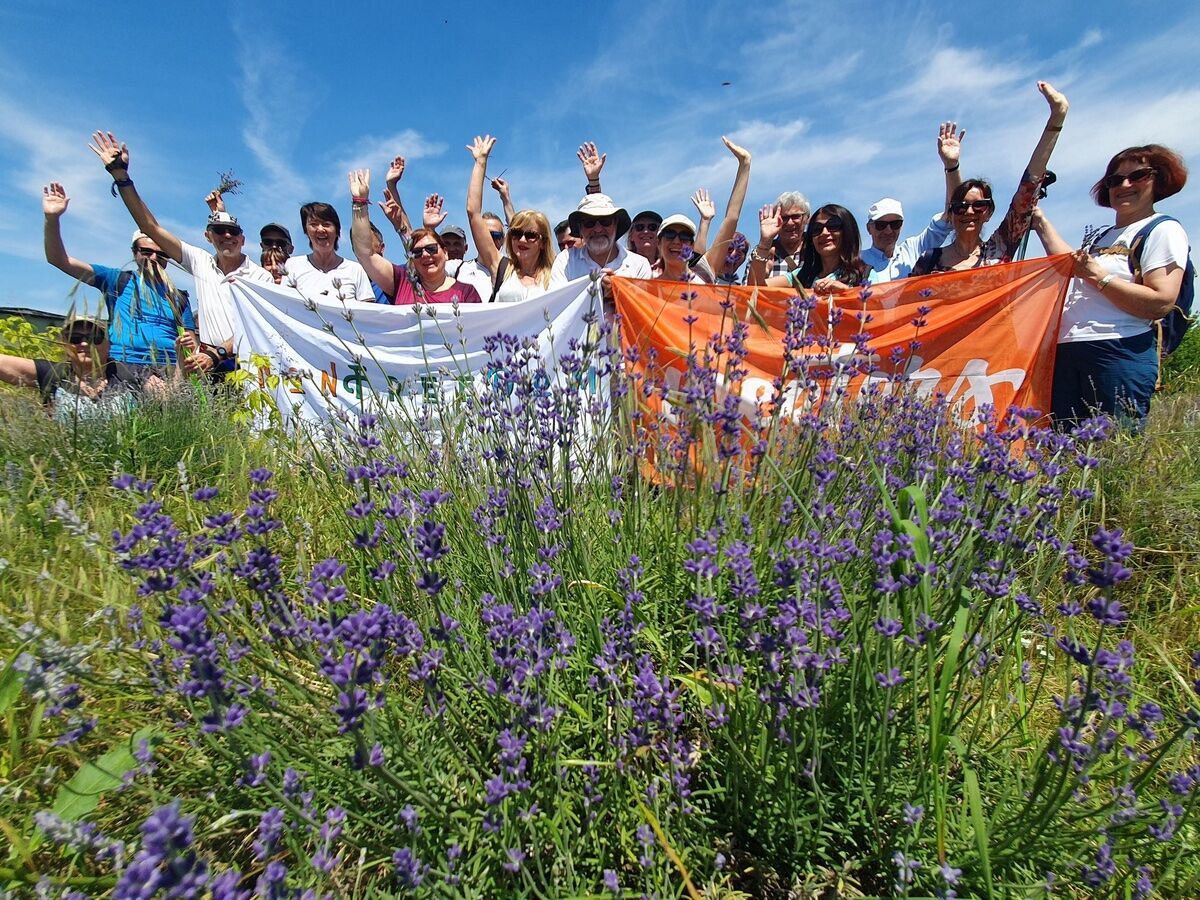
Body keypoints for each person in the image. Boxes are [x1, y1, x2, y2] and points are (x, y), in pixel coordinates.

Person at [89, 131, 273, 378]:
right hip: (206, 365)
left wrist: (217, 353)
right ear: (208, 237)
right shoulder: (201, 261)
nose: (226, 236)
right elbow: (150, 228)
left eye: (232, 231)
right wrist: (121, 177)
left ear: (243, 238)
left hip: (248, 366)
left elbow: (255, 325)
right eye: (219, 231)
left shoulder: (261, 277)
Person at [1031, 144, 1189, 426]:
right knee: (1061, 450)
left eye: (1138, 176)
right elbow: (1070, 264)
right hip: (1067, 351)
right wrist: (1039, 221)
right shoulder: (1102, 236)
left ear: (1158, 180)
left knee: (1113, 450)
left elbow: (1160, 301)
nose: (1124, 185)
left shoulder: (1162, 229)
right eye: (1115, 180)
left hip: (1117, 351)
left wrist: (1098, 276)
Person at [911, 82, 1068, 276]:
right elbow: (908, 306)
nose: (969, 212)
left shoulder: (999, 250)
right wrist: (951, 165)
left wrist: (1056, 118)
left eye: (978, 205)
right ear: (951, 214)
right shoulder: (928, 261)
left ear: (989, 212)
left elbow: (1029, 186)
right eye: (961, 207)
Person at [42, 181, 194, 372]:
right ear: (134, 252)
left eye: (161, 253)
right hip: (124, 366)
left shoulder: (179, 297)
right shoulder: (116, 280)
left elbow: (192, 343)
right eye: (146, 251)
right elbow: (59, 260)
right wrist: (52, 219)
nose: (154, 257)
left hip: (170, 368)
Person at [347, 169, 483, 306]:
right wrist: (360, 202)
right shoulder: (401, 282)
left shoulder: (467, 293)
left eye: (431, 249)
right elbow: (365, 253)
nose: (424, 254)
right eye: (417, 252)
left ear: (445, 253)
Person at [861, 122, 965, 283]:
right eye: (881, 225)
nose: (888, 231)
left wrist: (951, 166)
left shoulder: (913, 250)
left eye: (895, 224)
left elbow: (952, 214)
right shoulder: (857, 261)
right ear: (869, 228)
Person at [0, 316, 156, 420]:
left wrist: (180, 366)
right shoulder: (53, 374)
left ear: (108, 345)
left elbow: (170, 396)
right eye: (74, 338)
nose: (84, 344)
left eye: (95, 338)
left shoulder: (133, 373)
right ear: (65, 345)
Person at [465, 135, 556, 302]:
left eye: (531, 235)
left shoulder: (557, 274)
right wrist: (481, 162)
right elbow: (473, 213)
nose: (522, 239)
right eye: (515, 233)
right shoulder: (501, 267)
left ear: (543, 242)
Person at [652, 137, 752, 285]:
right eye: (670, 234)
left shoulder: (704, 273)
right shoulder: (648, 284)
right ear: (658, 243)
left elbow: (731, 218)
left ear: (692, 246)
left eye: (685, 236)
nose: (677, 241)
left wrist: (745, 165)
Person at [548, 193, 653, 289]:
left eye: (605, 221)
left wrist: (618, 292)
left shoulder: (639, 265)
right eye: (589, 223)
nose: (598, 229)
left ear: (616, 224)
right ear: (580, 228)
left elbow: (643, 306)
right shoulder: (565, 261)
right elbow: (556, 304)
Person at [758, 204, 869, 292]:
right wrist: (765, 241)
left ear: (847, 231)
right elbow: (756, 288)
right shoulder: (802, 275)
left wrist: (847, 292)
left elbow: (877, 308)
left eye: (833, 225)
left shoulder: (864, 273)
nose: (824, 233)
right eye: (817, 229)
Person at [285, 202, 375, 304]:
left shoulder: (355, 270)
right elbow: (283, 306)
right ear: (306, 230)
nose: (320, 229)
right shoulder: (292, 266)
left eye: (326, 224)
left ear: (337, 231)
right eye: (313, 224)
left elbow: (369, 313)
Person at [746, 191, 812, 283]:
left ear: (807, 218)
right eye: (784, 218)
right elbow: (747, 291)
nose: (790, 223)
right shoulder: (761, 253)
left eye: (795, 217)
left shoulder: (816, 250)